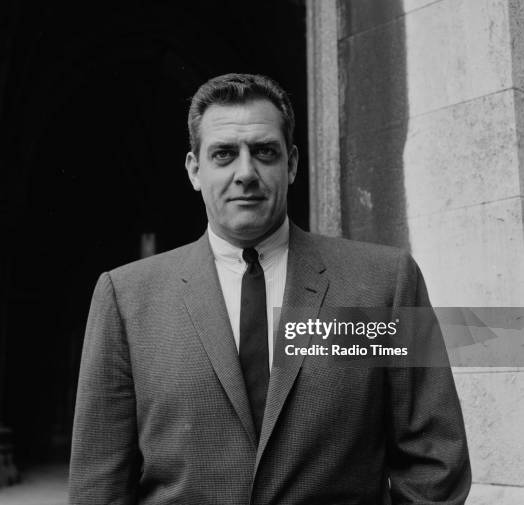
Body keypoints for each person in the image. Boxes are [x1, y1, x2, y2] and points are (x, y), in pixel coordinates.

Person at [69, 73, 471, 504]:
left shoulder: (386, 282)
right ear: (194, 170)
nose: (246, 173)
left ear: (292, 163)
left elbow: (435, 457)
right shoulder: (126, 298)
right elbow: (99, 482)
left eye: (264, 152)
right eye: (224, 154)